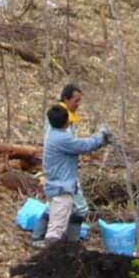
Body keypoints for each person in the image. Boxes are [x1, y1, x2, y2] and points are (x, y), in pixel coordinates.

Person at [41, 84, 111, 244]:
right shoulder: (60, 138)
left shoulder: (55, 135)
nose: (78, 105)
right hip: (61, 187)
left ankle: (71, 245)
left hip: (59, 183)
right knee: (55, 231)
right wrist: (101, 135)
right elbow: (84, 145)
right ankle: (48, 258)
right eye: (76, 100)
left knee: (70, 213)